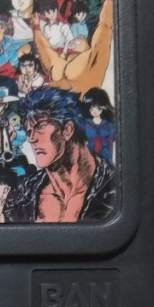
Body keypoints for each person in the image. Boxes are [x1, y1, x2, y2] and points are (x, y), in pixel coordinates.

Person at [10, 87, 116, 222]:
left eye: (40, 126)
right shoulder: (24, 195)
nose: (31, 139)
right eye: (29, 131)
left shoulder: (113, 187)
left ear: (67, 130)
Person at [82, 88, 115, 163]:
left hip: (105, 158)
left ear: (103, 108)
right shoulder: (85, 124)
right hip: (89, 157)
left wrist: (109, 160)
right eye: (92, 109)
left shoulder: (109, 125)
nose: (95, 111)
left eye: (98, 108)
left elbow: (111, 144)